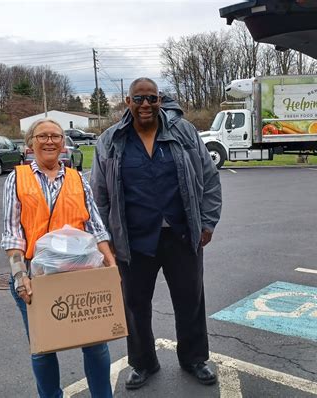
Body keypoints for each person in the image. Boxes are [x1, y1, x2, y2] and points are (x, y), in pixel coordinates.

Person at [90, 78, 222, 390]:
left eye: (151, 98)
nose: (146, 104)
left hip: (181, 235)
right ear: (128, 102)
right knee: (135, 305)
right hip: (133, 240)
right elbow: (99, 194)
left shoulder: (184, 132)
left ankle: (194, 358)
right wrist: (104, 238)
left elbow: (209, 178)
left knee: (190, 300)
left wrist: (207, 222)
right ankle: (142, 362)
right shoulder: (109, 141)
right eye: (139, 99)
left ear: (159, 100)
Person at [1, 118, 116, 398]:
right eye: (42, 136)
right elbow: (12, 235)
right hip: (37, 280)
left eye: (55, 136)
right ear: (30, 144)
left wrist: (111, 266)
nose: (50, 141)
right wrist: (20, 276)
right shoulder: (16, 179)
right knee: (43, 349)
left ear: (63, 143)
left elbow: (96, 228)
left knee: (96, 345)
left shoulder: (78, 179)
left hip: (80, 276)